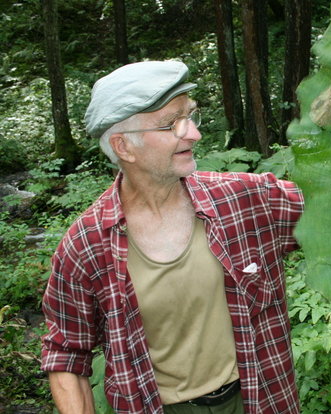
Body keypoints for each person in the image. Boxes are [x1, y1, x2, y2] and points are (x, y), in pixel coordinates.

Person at [40, 60, 304, 414]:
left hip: (259, 398)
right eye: (172, 124)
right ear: (124, 147)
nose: (193, 133)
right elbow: (66, 354)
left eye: (190, 116)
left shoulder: (246, 200)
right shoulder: (86, 245)